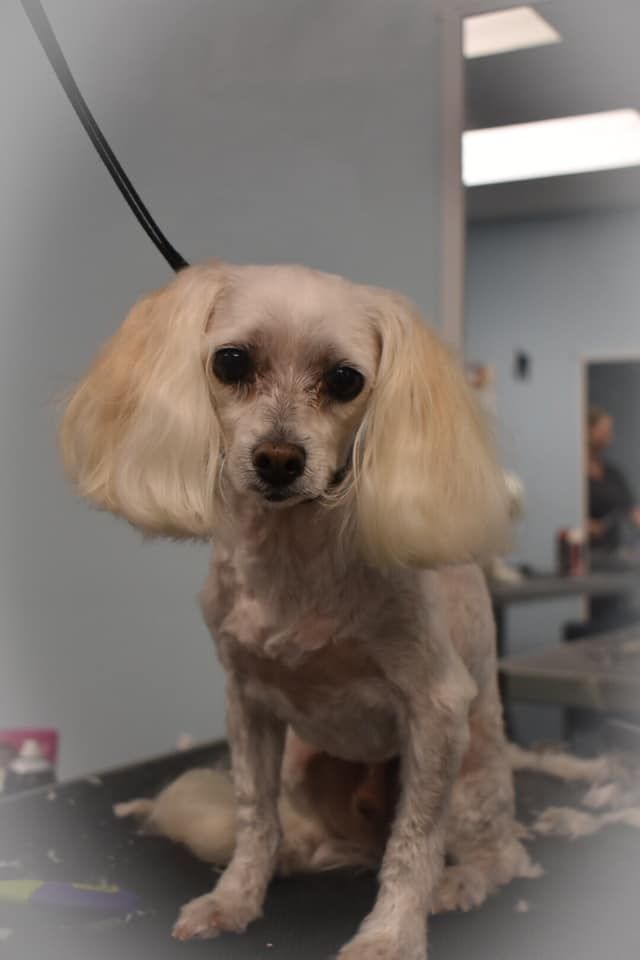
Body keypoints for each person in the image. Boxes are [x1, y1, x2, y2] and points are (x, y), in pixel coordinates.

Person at [587, 406, 640, 554]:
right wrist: (586, 525)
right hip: (584, 552)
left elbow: (632, 511)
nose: (610, 436)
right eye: (604, 430)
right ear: (587, 430)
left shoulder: (612, 473)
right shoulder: (574, 477)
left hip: (611, 552)